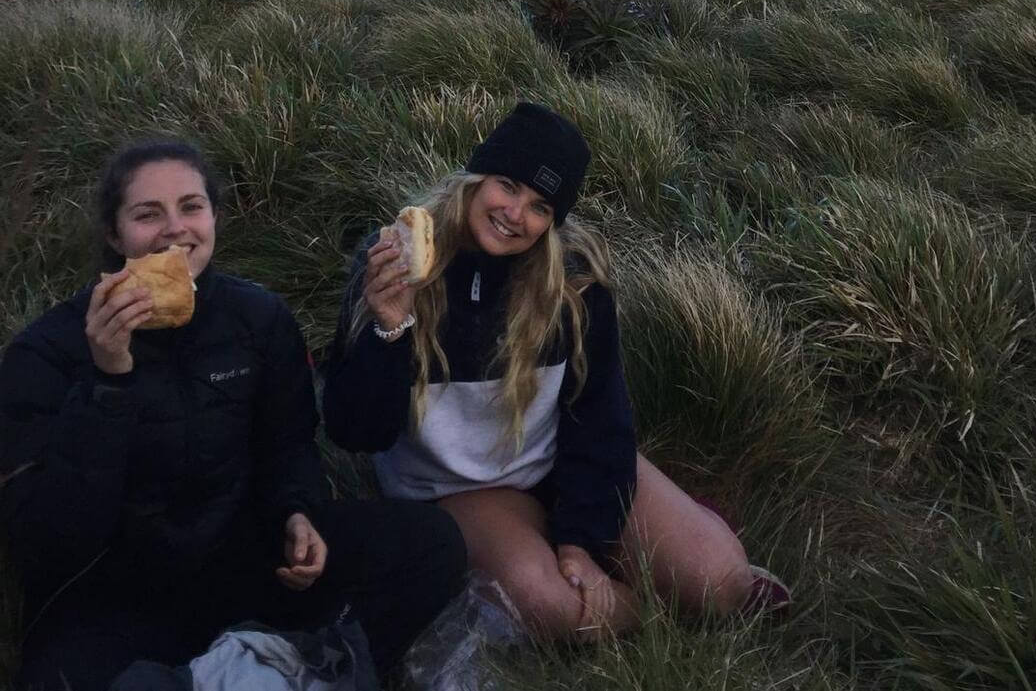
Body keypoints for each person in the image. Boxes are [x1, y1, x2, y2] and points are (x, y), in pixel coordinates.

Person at [0, 138, 467, 691]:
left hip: (241, 560)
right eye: (148, 214)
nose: (175, 230)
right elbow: (52, 543)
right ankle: (256, 668)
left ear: (214, 217)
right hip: (115, 594)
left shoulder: (258, 318)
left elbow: (288, 444)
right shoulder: (47, 351)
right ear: (113, 233)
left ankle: (251, 664)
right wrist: (108, 381)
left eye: (191, 207)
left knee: (430, 543)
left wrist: (297, 514)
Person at [323, 103, 790, 641]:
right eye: (507, 185)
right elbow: (356, 431)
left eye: (540, 205)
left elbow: (599, 415)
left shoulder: (575, 283)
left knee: (720, 582)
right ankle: (659, 617)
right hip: (456, 487)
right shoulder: (393, 261)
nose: (515, 214)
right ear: (476, 179)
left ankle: (687, 575)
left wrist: (581, 542)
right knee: (558, 608)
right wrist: (391, 330)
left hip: (554, 462)